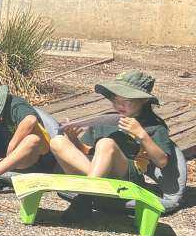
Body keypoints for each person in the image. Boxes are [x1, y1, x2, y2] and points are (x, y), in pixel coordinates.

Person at [47, 71, 175, 202]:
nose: (119, 105)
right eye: (115, 100)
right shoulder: (106, 121)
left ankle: (85, 198)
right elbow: (88, 151)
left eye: (127, 101)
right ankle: (91, 188)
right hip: (97, 172)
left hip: (127, 177)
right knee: (58, 141)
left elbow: (162, 162)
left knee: (106, 143)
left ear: (144, 100)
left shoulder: (154, 125)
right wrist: (74, 140)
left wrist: (142, 134)